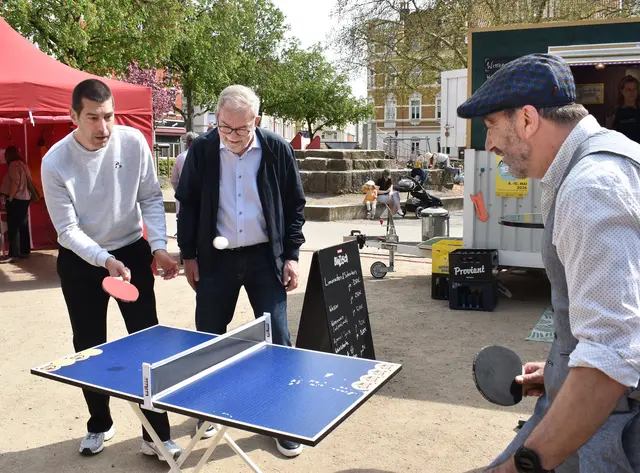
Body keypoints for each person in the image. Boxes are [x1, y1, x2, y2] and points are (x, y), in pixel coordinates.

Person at [458, 53, 640, 473]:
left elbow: (609, 361)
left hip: (612, 431)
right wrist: (561, 368)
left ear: (526, 120)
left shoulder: (590, 187)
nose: (489, 146)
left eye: (491, 127)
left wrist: (521, 468)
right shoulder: (614, 157)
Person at [40, 79, 183, 460]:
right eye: (92, 118)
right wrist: (104, 260)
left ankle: (155, 435)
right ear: (73, 116)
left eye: (108, 116)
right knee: (88, 347)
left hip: (132, 254)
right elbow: (67, 231)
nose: (103, 127)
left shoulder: (133, 142)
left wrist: (158, 248)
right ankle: (99, 423)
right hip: (82, 263)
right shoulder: (54, 161)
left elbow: (151, 196)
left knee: (149, 343)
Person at [175, 84, 306, 457]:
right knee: (209, 338)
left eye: (241, 129)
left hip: (266, 258)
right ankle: (207, 411)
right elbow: (187, 206)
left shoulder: (276, 148)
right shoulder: (202, 149)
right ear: (216, 119)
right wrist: (188, 254)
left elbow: (295, 203)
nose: (231, 136)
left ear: (257, 121)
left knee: (278, 335)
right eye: (224, 127)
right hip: (216, 261)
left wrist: (292, 254)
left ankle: (282, 418)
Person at [0, 146, 32, 261]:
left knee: (14, 226)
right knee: (23, 225)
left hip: (17, 198)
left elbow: (15, 181)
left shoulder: (13, 165)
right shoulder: (24, 164)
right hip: (26, 198)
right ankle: (25, 251)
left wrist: (10, 197)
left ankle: (14, 253)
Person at [171, 131, 198, 224]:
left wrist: (179, 191)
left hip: (183, 202)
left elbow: (174, 180)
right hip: (200, 203)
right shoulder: (203, 156)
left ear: (187, 142)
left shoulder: (180, 157)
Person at [608, 75, 640, 144]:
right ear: (622, 91)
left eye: (634, 89)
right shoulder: (615, 114)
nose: (632, 92)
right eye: (628, 90)